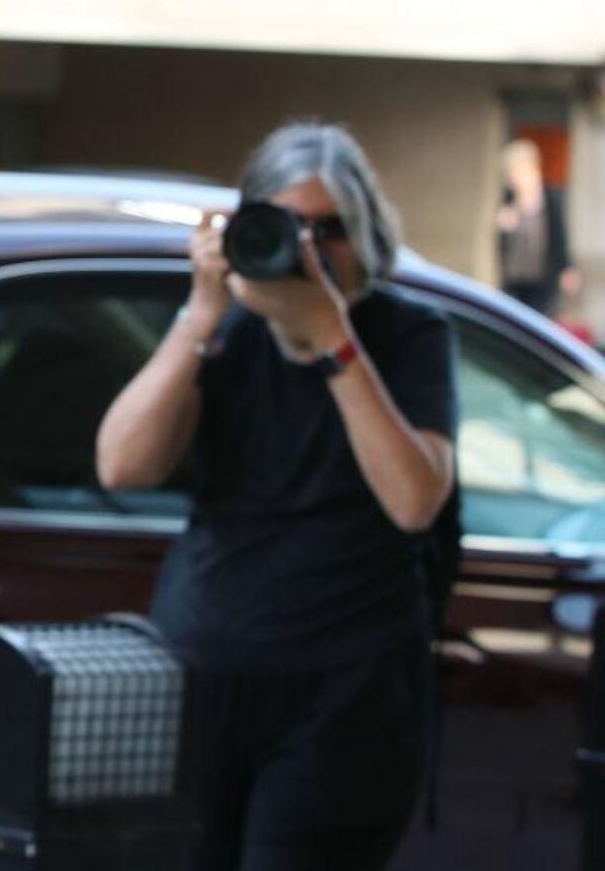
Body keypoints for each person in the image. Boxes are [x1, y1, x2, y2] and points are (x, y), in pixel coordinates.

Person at [96, 122, 458, 871]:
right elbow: (121, 466)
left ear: (367, 235)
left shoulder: (407, 334)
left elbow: (415, 501)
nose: (309, 249)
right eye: (286, 227)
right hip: (204, 674)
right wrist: (201, 312)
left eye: (330, 229)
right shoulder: (224, 333)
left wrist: (333, 338)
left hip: (347, 691)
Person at [496, 136, 581, 318]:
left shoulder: (549, 197)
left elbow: (560, 235)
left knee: (542, 320)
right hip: (516, 279)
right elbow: (502, 244)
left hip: (544, 278)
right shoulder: (509, 200)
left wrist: (567, 266)